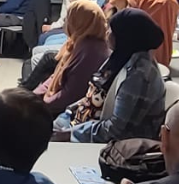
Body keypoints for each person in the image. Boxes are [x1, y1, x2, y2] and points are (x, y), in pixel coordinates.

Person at [53, 8, 166, 144]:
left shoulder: (138, 76)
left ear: (125, 36)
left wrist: (70, 134)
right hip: (85, 122)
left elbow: (115, 130)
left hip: (110, 143)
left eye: (112, 30)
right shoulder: (121, 56)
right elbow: (94, 94)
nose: (107, 32)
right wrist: (70, 112)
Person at [34, 0, 110, 116]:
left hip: (68, 111)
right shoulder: (81, 42)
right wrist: (34, 96)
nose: (66, 23)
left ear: (80, 22)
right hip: (57, 103)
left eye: (70, 19)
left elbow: (70, 96)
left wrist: (39, 104)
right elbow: (56, 76)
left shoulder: (90, 52)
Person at [124, 0, 179, 66]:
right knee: (163, 33)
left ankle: (157, 64)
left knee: (157, 35)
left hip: (161, 1)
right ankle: (160, 63)